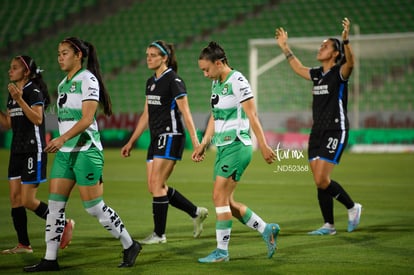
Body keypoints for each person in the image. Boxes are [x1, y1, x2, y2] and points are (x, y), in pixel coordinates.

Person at [23, 37, 141, 272]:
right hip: (66, 154)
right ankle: (50, 258)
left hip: (86, 151)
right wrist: (62, 141)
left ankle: (130, 244)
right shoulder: (63, 84)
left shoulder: (88, 79)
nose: (60, 57)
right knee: (55, 207)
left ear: (78, 55)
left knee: (94, 208)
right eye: (58, 53)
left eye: (65, 53)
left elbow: (87, 119)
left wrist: (62, 138)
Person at [193, 41, 280, 263]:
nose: (205, 74)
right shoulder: (216, 83)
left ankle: (222, 252)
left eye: (206, 69)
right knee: (228, 203)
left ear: (219, 63)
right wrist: (204, 143)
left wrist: (264, 145)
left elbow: (253, 115)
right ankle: (266, 229)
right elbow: (215, 116)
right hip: (223, 147)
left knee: (217, 197)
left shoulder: (237, 81)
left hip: (237, 146)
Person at [275, 17, 362, 235]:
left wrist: (346, 41)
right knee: (319, 181)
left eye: (325, 46)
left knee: (322, 178)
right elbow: (298, 67)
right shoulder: (317, 74)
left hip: (335, 129)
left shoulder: (340, 73)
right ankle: (329, 225)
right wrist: (285, 48)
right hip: (317, 131)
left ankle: (353, 207)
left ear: (335, 53)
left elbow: (351, 63)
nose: (320, 48)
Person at [121, 40, 208, 244]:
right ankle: (195, 212)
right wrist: (131, 141)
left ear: (164, 58)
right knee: (154, 186)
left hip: (171, 135)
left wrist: (197, 143)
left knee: (157, 184)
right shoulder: (150, 82)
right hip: (155, 137)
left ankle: (159, 235)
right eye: (147, 55)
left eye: (153, 55)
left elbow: (186, 113)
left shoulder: (174, 80)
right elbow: (146, 114)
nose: (148, 58)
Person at [0, 56, 74, 255]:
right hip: (16, 150)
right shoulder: (12, 92)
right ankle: (24, 245)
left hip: (33, 149)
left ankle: (63, 223)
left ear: (26, 72)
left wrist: (19, 99)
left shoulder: (33, 91)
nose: (10, 71)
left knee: (27, 200)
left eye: (14, 68)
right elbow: (8, 124)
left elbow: (38, 118)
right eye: (10, 67)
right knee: (15, 199)